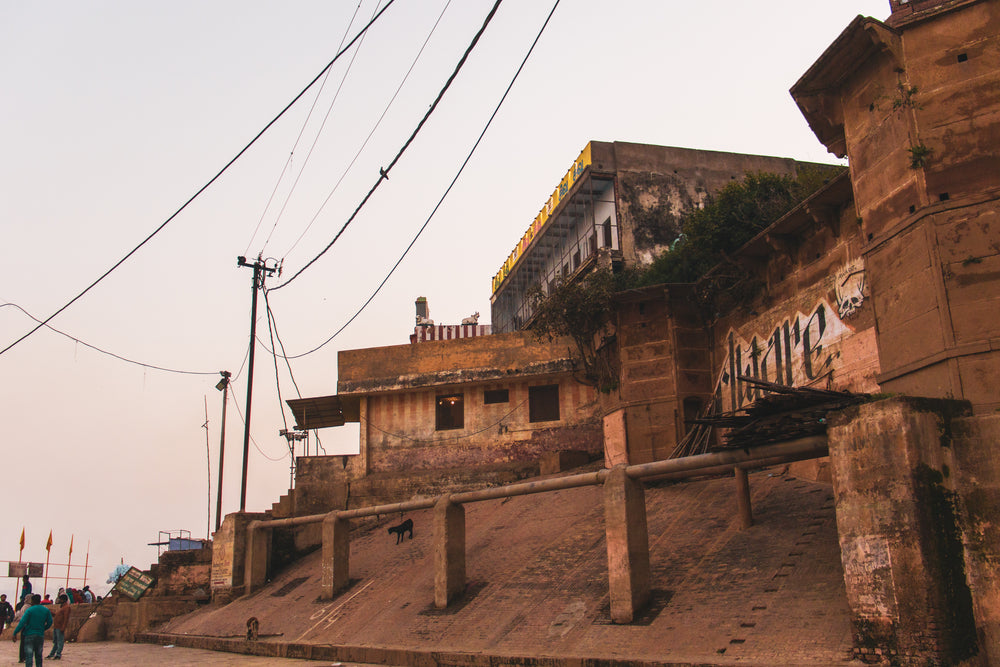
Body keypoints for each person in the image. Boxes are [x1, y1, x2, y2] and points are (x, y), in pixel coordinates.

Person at [12, 594, 52, 667]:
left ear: (32, 601)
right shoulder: (45, 610)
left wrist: (15, 633)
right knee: (39, 655)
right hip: (40, 635)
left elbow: (22, 622)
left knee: (29, 656)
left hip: (29, 634)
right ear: (40, 601)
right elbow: (50, 622)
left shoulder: (29, 610)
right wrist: (43, 628)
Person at [47, 594, 69, 660]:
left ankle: (58, 654)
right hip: (56, 626)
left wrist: (63, 627)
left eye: (61, 599)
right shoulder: (61, 608)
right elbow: (57, 615)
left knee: (60, 641)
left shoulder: (66, 608)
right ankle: (52, 654)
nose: (60, 600)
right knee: (56, 642)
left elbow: (66, 618)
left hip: (60, 627)